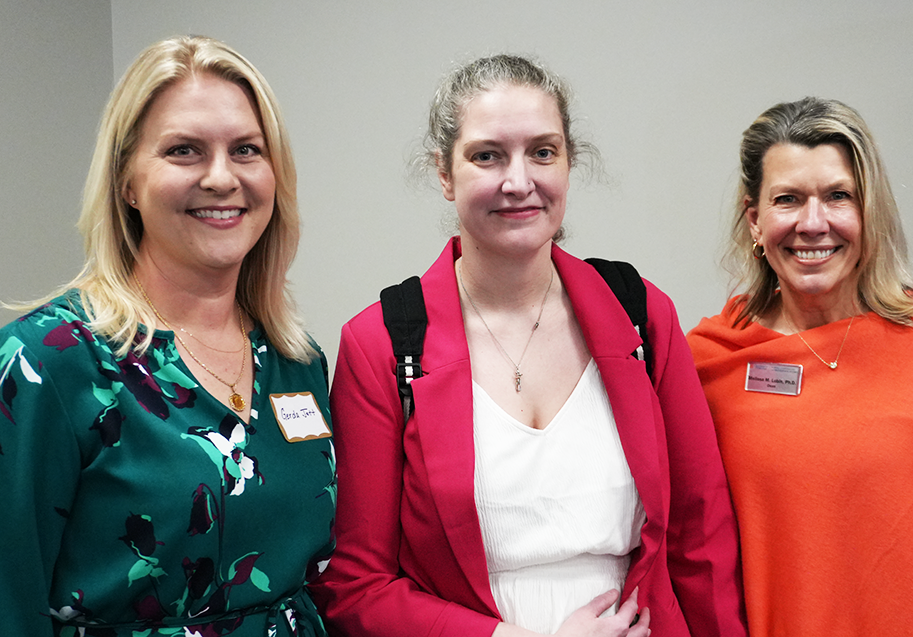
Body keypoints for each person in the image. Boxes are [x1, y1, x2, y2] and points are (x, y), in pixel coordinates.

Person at [310, 55, 746, 637]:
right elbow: (355, 588)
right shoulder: (383, 343)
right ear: (444, 173)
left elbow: (702, 536)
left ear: (569, 163)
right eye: (488, 155)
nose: (520, 182)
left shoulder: (640, 313)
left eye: (543, 152)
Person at [0, 36, 336, 636]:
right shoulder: (49, 365)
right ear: (127, 180)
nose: (220, 177)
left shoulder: (298, 362)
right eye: (184, 151)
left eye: (246, 150)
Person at [686, 97, 913, 635]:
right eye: (788, 199)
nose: (814, 223)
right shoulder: (706, 364)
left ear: (869, 212)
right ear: (755, 220)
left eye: (838, 197)